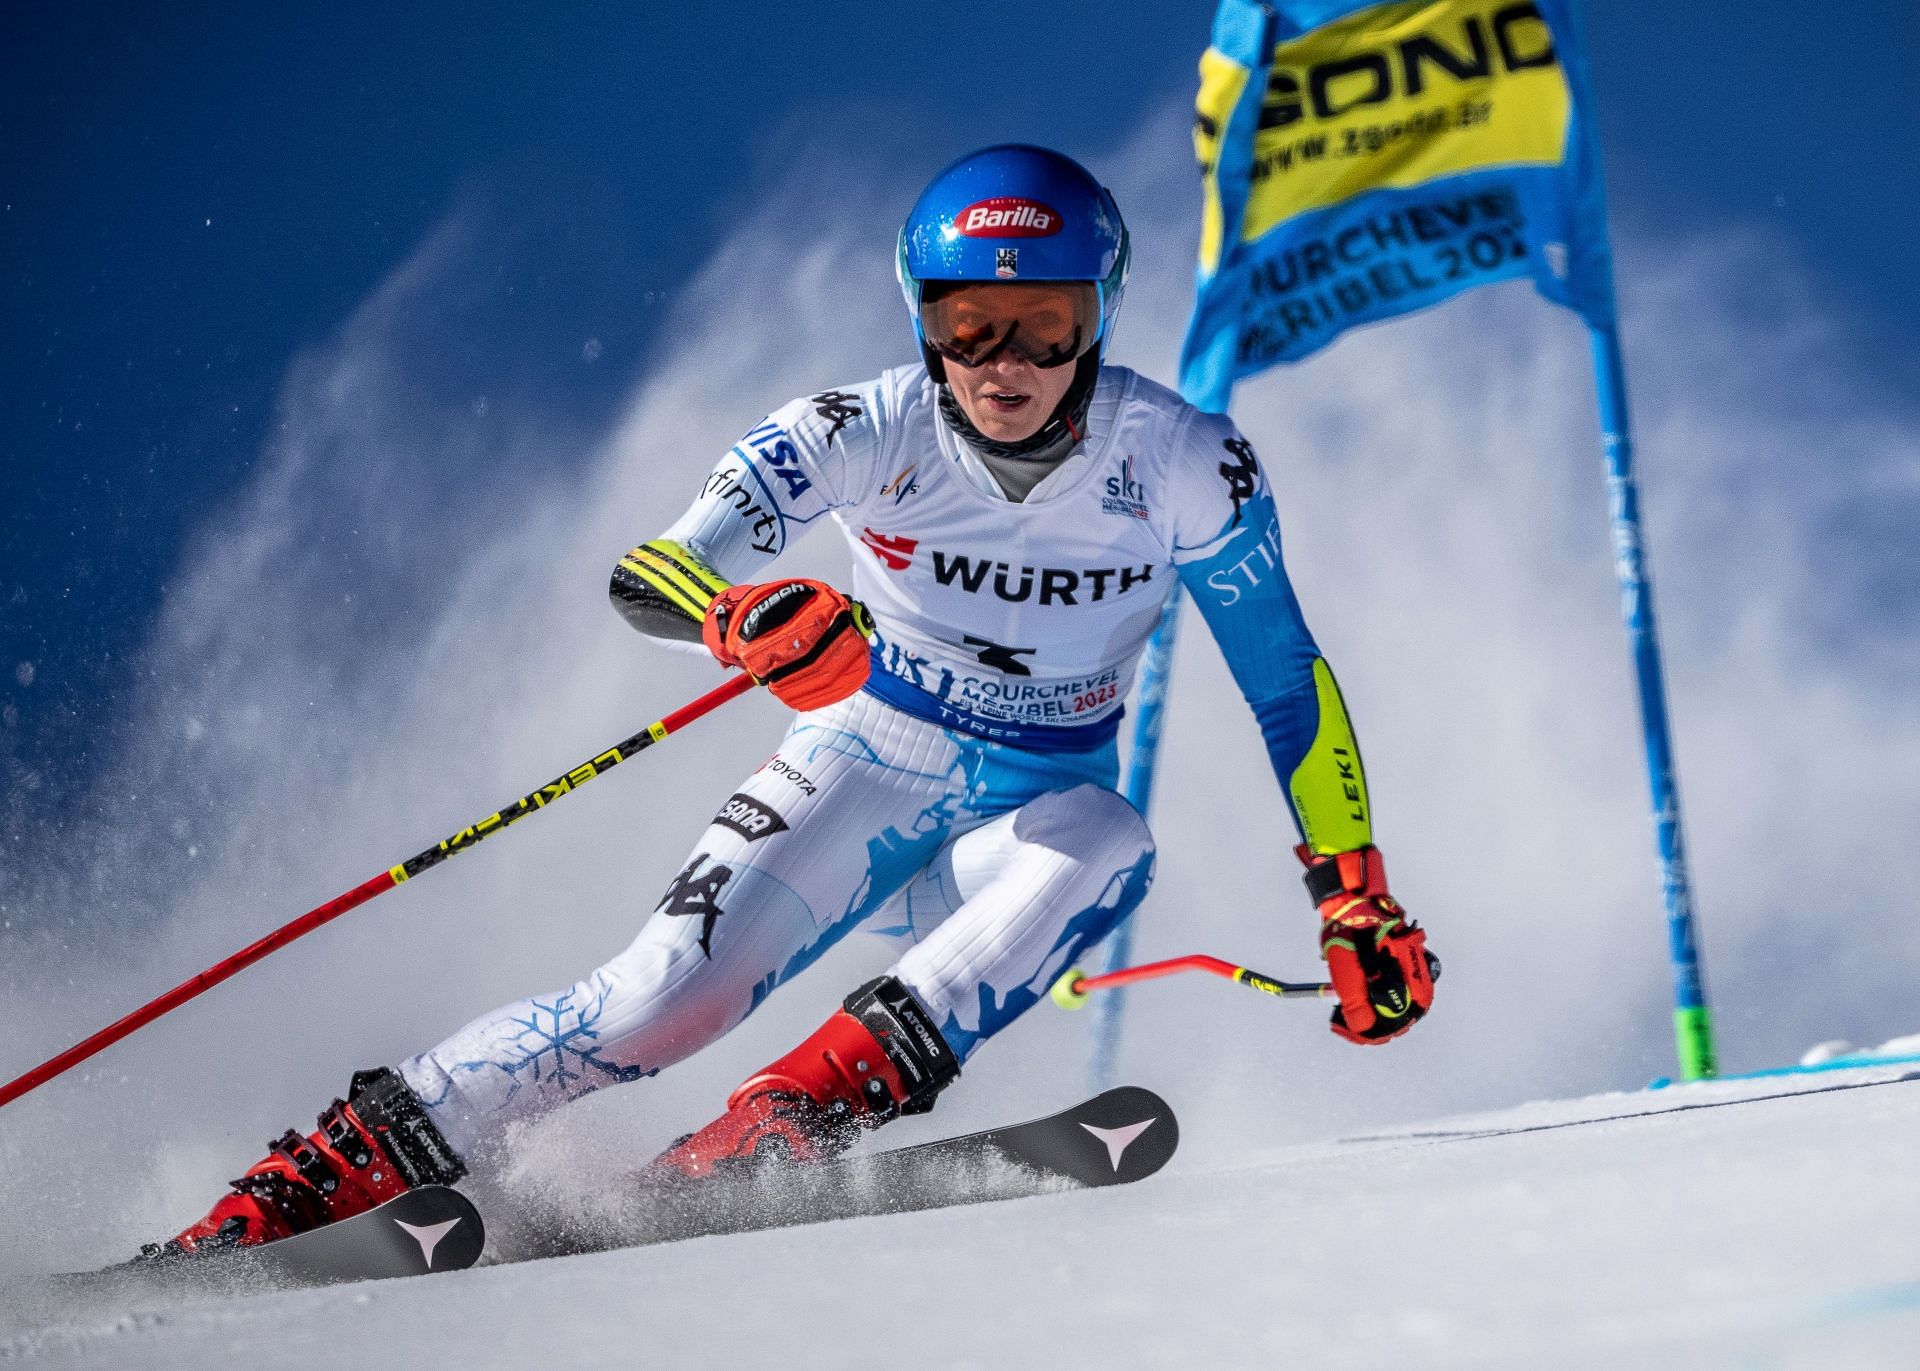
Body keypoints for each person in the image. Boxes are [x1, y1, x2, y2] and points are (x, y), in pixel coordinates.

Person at [152, 144, 1436, 1256]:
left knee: (1112, 843)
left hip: (1025, 818)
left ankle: (779, 1126)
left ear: (1100, 313)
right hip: (867, 765)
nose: (1001, 362)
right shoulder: (860, 426)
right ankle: (297, 1196)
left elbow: (1286, 677)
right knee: (657, 1006)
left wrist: (1353, 890)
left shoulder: (1185, 462)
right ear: (918, 316)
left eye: (1042, 322)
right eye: (963, 322)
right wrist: (740, 622)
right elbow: (653, 570)